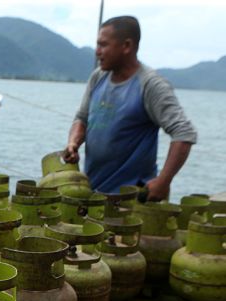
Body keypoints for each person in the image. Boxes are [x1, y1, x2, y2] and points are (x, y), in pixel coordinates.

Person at [63, 15, 197, 200]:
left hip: (132, 200)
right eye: (98, 45)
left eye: (103, 45)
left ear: (127, 46)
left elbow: (184, 134)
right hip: (93, 193)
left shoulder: (151, 85)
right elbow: (82, 118)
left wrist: (163, 182)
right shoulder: (98, 77)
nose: (97, 51)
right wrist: (73, 143)